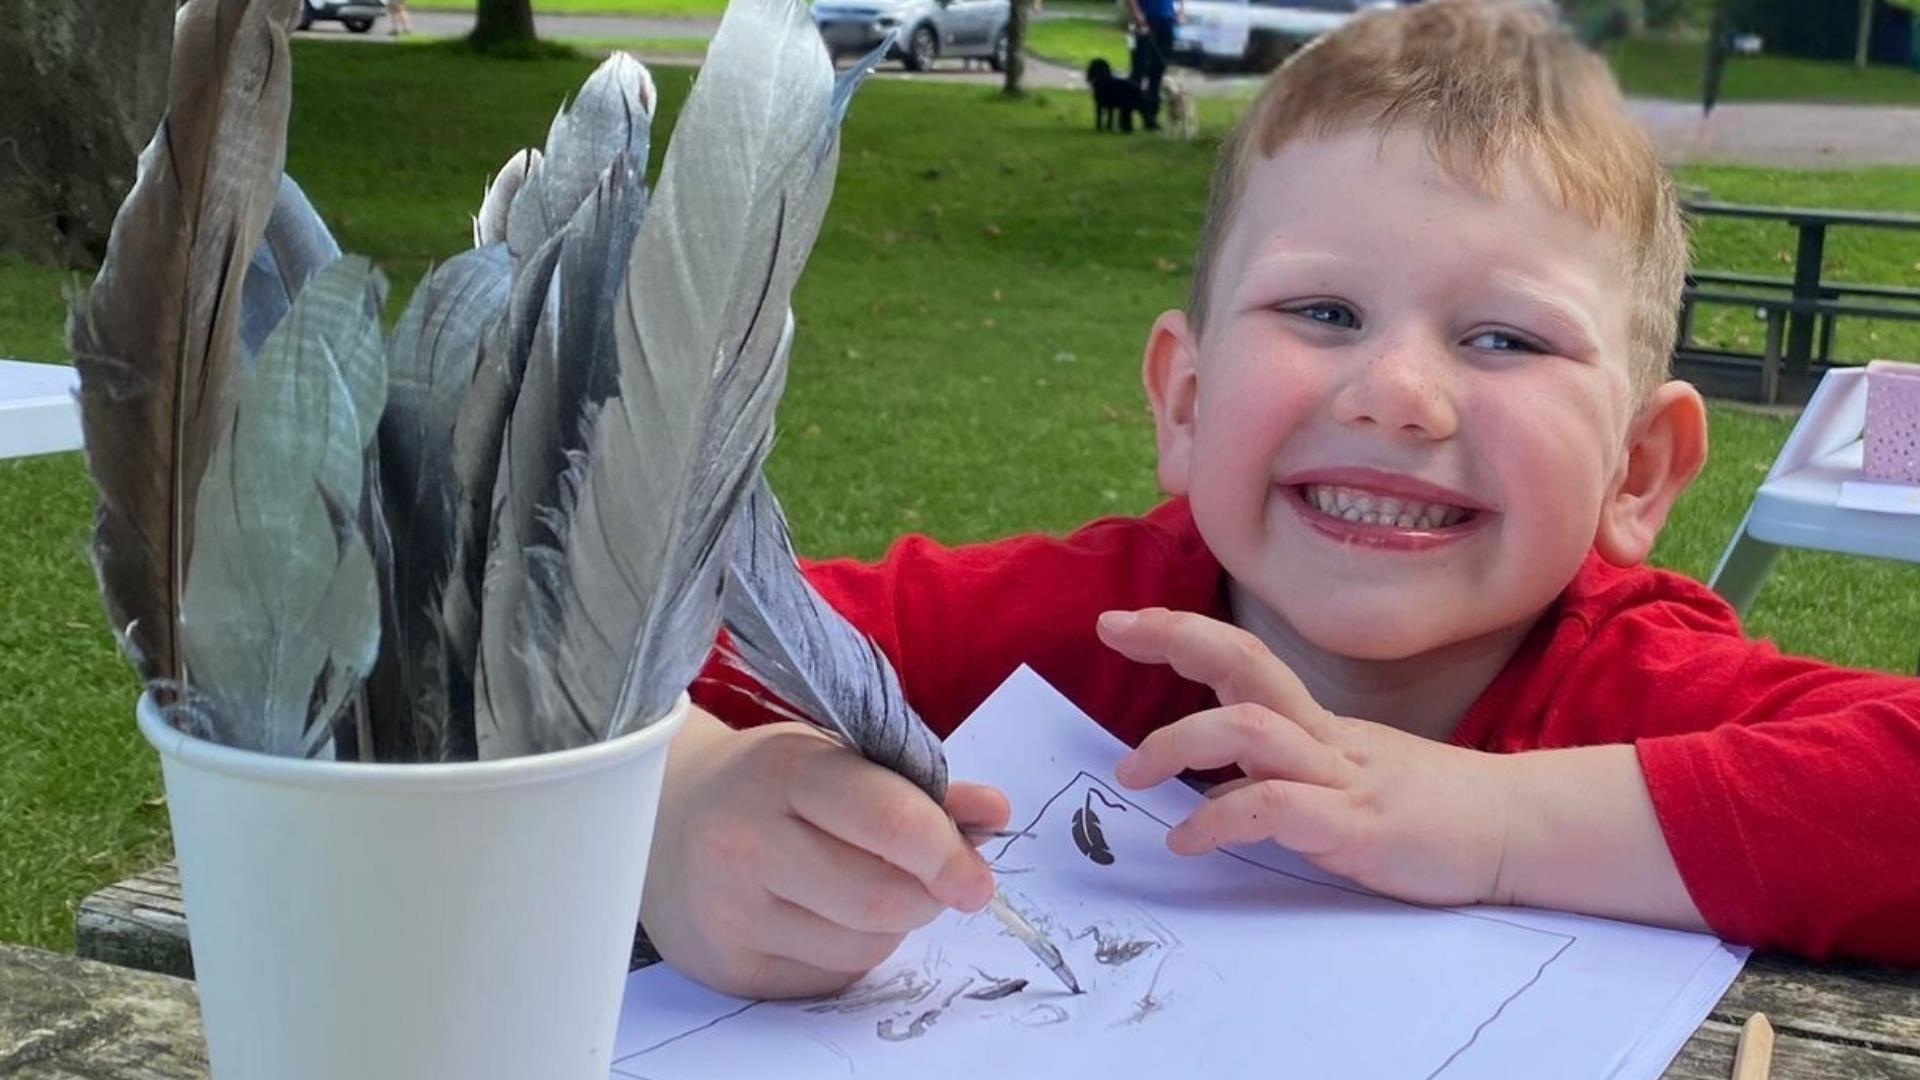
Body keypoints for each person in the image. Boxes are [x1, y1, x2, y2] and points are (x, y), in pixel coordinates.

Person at [638, 0, 1920, 1000]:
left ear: (1637, 473)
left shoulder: (1637, 688)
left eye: (1505, 340)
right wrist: (678, 811)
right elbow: (592, 642)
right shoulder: (1081, 627)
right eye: (1323, 311)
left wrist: (1493, 825)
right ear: (1185, 404)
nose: (1397, 393)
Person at [1126, 0, 1179, 130]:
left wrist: (1180, 11)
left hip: (1167, 20)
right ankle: (1127, 116)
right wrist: (1137, 13)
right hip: (1146, 20)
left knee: (1158, 70)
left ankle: (1151, 116)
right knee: (1139, 70)